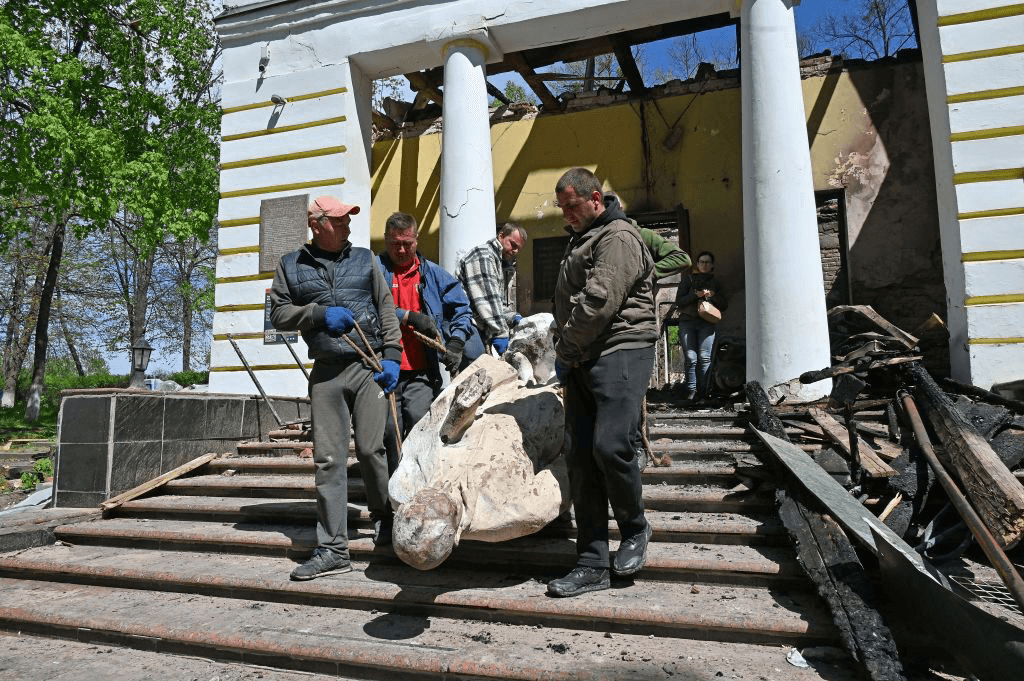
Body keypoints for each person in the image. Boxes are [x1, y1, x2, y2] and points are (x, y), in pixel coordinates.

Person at [269, 196, 403, 581]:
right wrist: (317, 314)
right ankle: (332, 549)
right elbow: (278, 314)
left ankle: (385, 518)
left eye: (348, 220)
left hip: (368, 366)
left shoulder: (365, 260)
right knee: (327, 459)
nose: (347, 226)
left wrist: (391, 355)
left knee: (371, 449)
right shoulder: (291, 265)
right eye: (340, 221)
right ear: (317, 224)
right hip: (326, 371)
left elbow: (385, 306)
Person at [548, 168, 658, 598]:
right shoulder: (585, 236)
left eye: (572, 207)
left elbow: (598, 302)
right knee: (580, 457)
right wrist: (571, 353)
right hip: (583, 355)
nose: (567, 215)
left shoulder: (617, 237)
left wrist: (563, 350)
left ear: (596, 199)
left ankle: (635, 528)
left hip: (620, 349)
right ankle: (591, 561)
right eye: (562, 208)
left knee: (610, 445)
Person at [376, 211, 483, 473]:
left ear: (416, 240)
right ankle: (392, 494)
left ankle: (419, 486)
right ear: (386, 240)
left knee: (419, 424)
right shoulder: (373, 271)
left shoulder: (434, 274)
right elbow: (365, 308)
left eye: (407, 243)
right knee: (389, 432)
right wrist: (407, 316)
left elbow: (462, 309)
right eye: (394, 243)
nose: (401, 249)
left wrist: (456, 342)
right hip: (380, 368)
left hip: (420, 372)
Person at [457, 223, 527, 356]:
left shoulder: (500, 262)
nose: (515, 251)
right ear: (501, 236)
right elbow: (487, 301)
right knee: (475, 364)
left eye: (519, 248)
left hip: (480, 323)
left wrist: (512, 316)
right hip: (465, 322)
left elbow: (497, 302)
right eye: (513, 244)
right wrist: (500, 332)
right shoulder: (483, 256)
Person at [674, 251, 727, 401]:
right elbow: (679, 301)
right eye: (701, 262)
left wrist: (712, 296)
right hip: (687, 322)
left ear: (712, 265)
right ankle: (691, 391)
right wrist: (695, 295)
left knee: (704, 358)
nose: (704, 265)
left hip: (707, 323)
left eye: (707, 262)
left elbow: (724, 305)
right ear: (697, 265)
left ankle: (704, 393)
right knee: (691, 358)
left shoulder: (716, 282)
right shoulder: (687, 280)